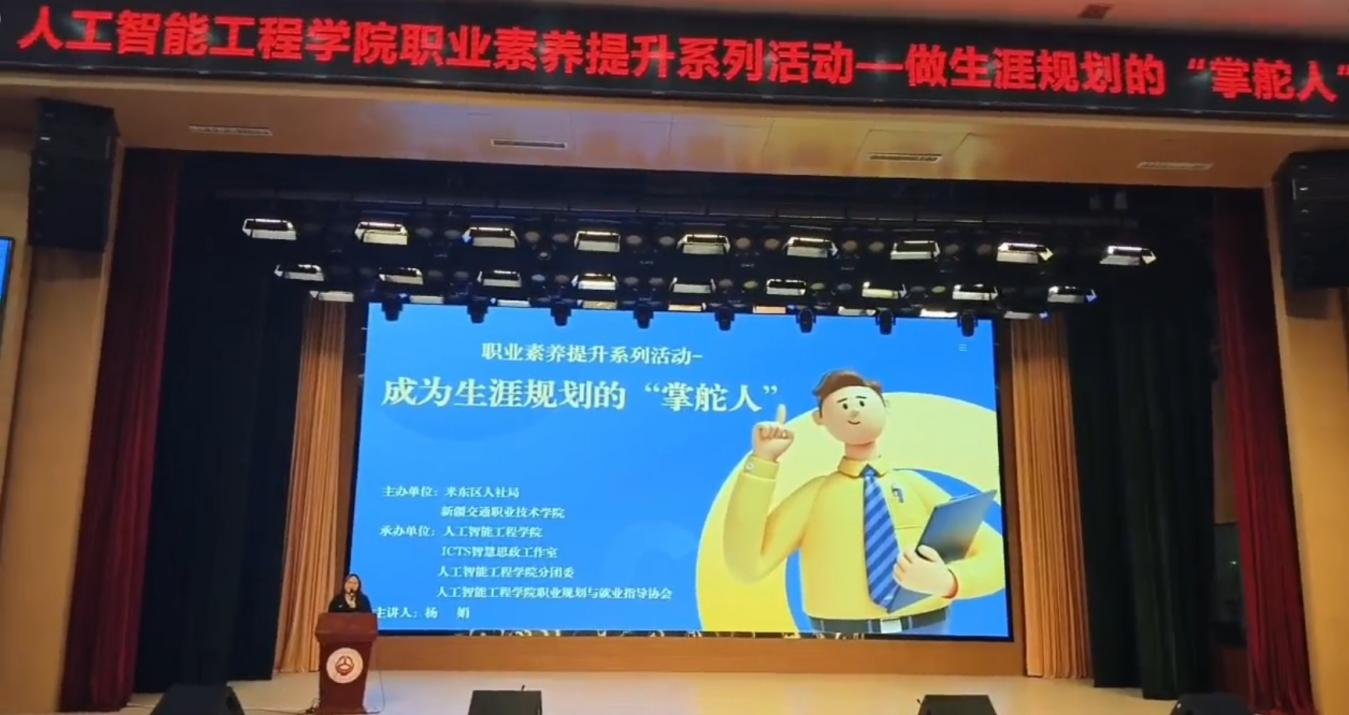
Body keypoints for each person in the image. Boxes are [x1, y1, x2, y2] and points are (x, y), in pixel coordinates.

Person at [723, 370, 1004, 635]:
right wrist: (762, 462)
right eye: (843, 405)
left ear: (884, 406)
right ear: (820, 419)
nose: (854, 411)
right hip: (839, 640)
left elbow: (997, 555)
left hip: (926, 631)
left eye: (861, 402)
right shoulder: (816, 495)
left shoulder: (914, 485)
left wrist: (949, 580)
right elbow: (748, 566)